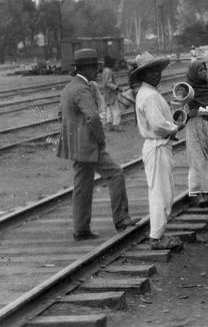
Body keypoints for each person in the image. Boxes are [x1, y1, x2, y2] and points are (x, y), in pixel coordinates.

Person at [56, 48, 138, 240]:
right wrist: (100, 139)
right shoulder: (83, 89)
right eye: (94, 68)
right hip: (89, 145)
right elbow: (92, 117)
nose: (97, 72)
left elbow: (61, 115)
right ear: (84, 68)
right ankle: (122, 219)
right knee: (116, 173)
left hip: (75, 146)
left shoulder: (69, 87)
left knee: (82, 186)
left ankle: (81, 229)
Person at [132, 51, 185, 250]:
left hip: (160, 145)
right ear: (142, 75)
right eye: (150, 71)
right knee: (160, 192)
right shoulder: (149, 96)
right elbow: (157, 125)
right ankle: (156, 236)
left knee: (164, 191)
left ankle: (159, 232)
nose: (155, 74)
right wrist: (175, 127)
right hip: (157, 145)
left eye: (156, 70)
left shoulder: (149, 93)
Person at [184, 60, 208, 207]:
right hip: (193, 128)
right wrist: (189, 114)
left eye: (204, 69)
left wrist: (203, 111)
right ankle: (203, 194)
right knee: (198, 160)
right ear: (193, 73)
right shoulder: (186, 90)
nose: (203, 72)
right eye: (200, 70)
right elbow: (181, 114)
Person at [101, 55, 123, 132]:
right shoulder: (108, 71)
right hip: (111, 93)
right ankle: (116, 125)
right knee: (116, 110)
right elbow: (108, 83)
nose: (115, 65)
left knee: (109, 110)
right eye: (114, 63)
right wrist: (116, 88)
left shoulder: (105, 70)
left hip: (107, 93)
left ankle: (109, 126)